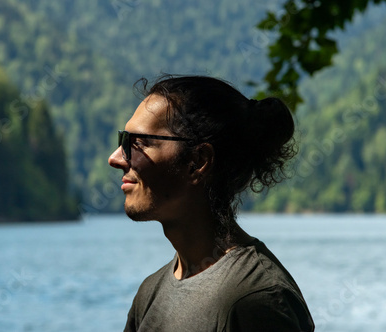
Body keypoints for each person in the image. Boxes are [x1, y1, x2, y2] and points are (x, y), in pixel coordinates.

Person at [108, 75, 314, 331]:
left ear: (198, 161)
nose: (116, 158)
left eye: (138, 143)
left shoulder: (257, 299)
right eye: (123, 140)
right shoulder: (149, 294)